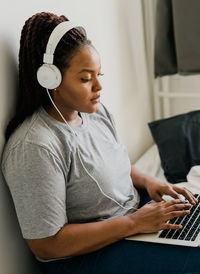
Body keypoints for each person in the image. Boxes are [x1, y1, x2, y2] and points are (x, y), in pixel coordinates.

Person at [1, 12, 200, 274]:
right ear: (50, 79)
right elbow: (46, 245)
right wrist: (133, 223)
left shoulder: (95, 113)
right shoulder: (35, 146)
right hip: (83, 258)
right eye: (85, 79)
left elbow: (116, 165)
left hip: (131, 224)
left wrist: (152, 184)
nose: (98, 87)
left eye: (99, 74)